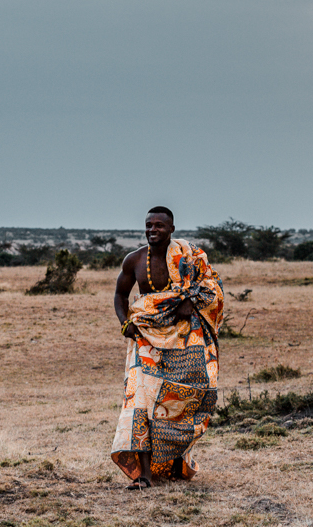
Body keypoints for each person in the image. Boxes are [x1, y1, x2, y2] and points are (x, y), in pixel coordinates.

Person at [111, 206, 223, 489]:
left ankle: (175, 464)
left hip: (184, 337)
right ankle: (145, 476)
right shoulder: (134, 260)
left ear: (172, 229)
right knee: (141, 404)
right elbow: (120, 294)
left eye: (159, 226)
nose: (152, 230)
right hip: (145, 338)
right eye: (149, 225)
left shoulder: (189, 257)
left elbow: (211, 286)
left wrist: (190, 301)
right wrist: (126, 324)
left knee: (186, 397)